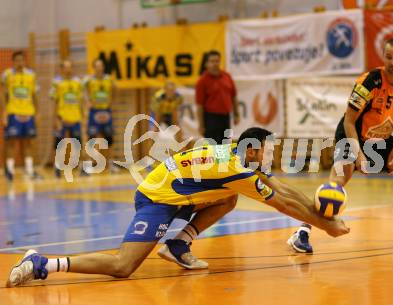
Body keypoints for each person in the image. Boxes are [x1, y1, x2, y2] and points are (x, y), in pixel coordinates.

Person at [6, 127, 349, 287]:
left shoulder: (237, 155)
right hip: (156, 198)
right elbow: (284, 204)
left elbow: (282, 187)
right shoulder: (237, 168)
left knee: (228, 197)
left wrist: (319, 211)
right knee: (124, 266)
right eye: (268, 149)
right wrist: (327, 225)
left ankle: (178, 244)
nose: (271, 156)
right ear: (254, 149)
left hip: (174, 191)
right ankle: (42, 263)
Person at [287, 38, 393, 254]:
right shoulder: (370, 81)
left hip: (380, 140)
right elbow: (348, 121)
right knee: (337, 183)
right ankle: (302, 232)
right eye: (388, 57)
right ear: (383, 57)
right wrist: (358, 156)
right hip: (352, 134)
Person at [1, 51, 41, 180]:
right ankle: (10, 171)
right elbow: (2, 94)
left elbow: (35, 95)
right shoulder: (7, 75)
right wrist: (4, 112)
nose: (19, 63)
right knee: (11, 142)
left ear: (25, 61)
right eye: (17, 60)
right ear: (13, 61)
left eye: (21, 60)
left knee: (28, 142)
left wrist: (38, 112)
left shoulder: (31, 75)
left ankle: (29, 170)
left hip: (28, 112)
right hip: (13, 112)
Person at [51, 60, 87, 177]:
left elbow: (81, 102)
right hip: (62, 118)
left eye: (70, 67)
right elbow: (55, 102)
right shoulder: (56, 83)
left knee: (79, 144)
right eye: (66, 67)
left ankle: (82, 168)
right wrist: (55, 119)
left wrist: (83, 117)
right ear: (61, 69)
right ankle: (57, 168)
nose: (68, 70)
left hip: (75, 118)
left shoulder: (78, 83)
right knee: (58, 144)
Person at [196, 50, 240, 144]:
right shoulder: (202, 81)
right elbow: (200, 105)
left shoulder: (227, 76)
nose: (215, 64)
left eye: (217, 61)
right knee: (213, 148)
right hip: (211, 119)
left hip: (225, 117)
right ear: (206, 64)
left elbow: (234, 96)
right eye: (212, 61)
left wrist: (236, 114)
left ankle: (223, 159)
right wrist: (201, 125)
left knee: (225, 146)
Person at [83, 59, 118, 173]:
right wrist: (87, 102)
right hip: (94, 111)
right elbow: (82, 91)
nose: (99, 68)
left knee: (109, 139)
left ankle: (110, 164)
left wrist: (111, 103)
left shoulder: (109, 79)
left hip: (106, 111)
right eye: (97, 66)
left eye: (101, 65)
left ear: (103, 67)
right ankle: (90, 164)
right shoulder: (89, 80)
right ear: (94, 67)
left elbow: (115, 90)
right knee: (91, 138)